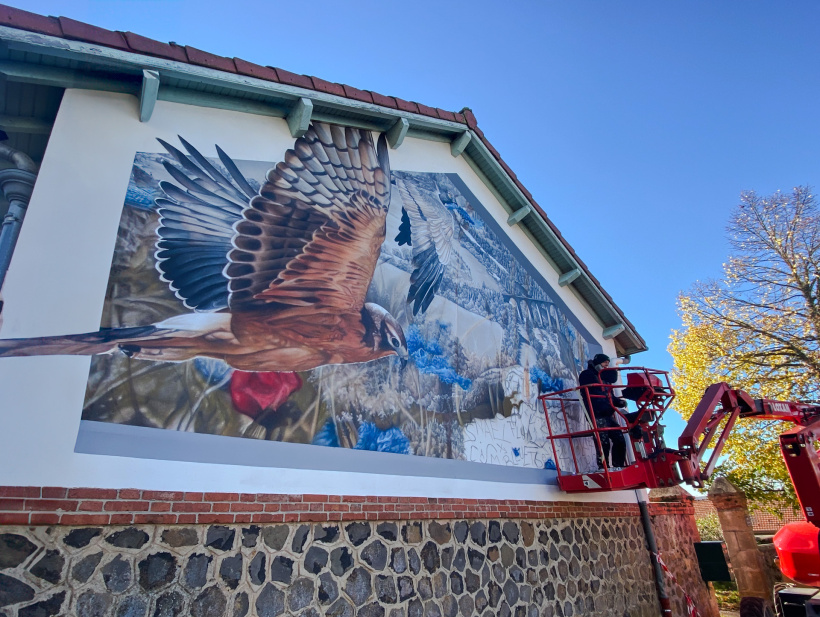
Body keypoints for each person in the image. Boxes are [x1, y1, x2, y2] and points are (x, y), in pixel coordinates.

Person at [578, 353, 628, 469]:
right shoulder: (587, 374)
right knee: (603, 441)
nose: (606, 365)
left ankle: (618, 465)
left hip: (607, 413)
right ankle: (603, 466)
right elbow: (593, 390)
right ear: (598, 363)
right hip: (595, 412)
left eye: (607, 362)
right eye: (604, 362)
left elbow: (608, 394)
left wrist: (618, 402)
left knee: (619, 438)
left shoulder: (605, 378)